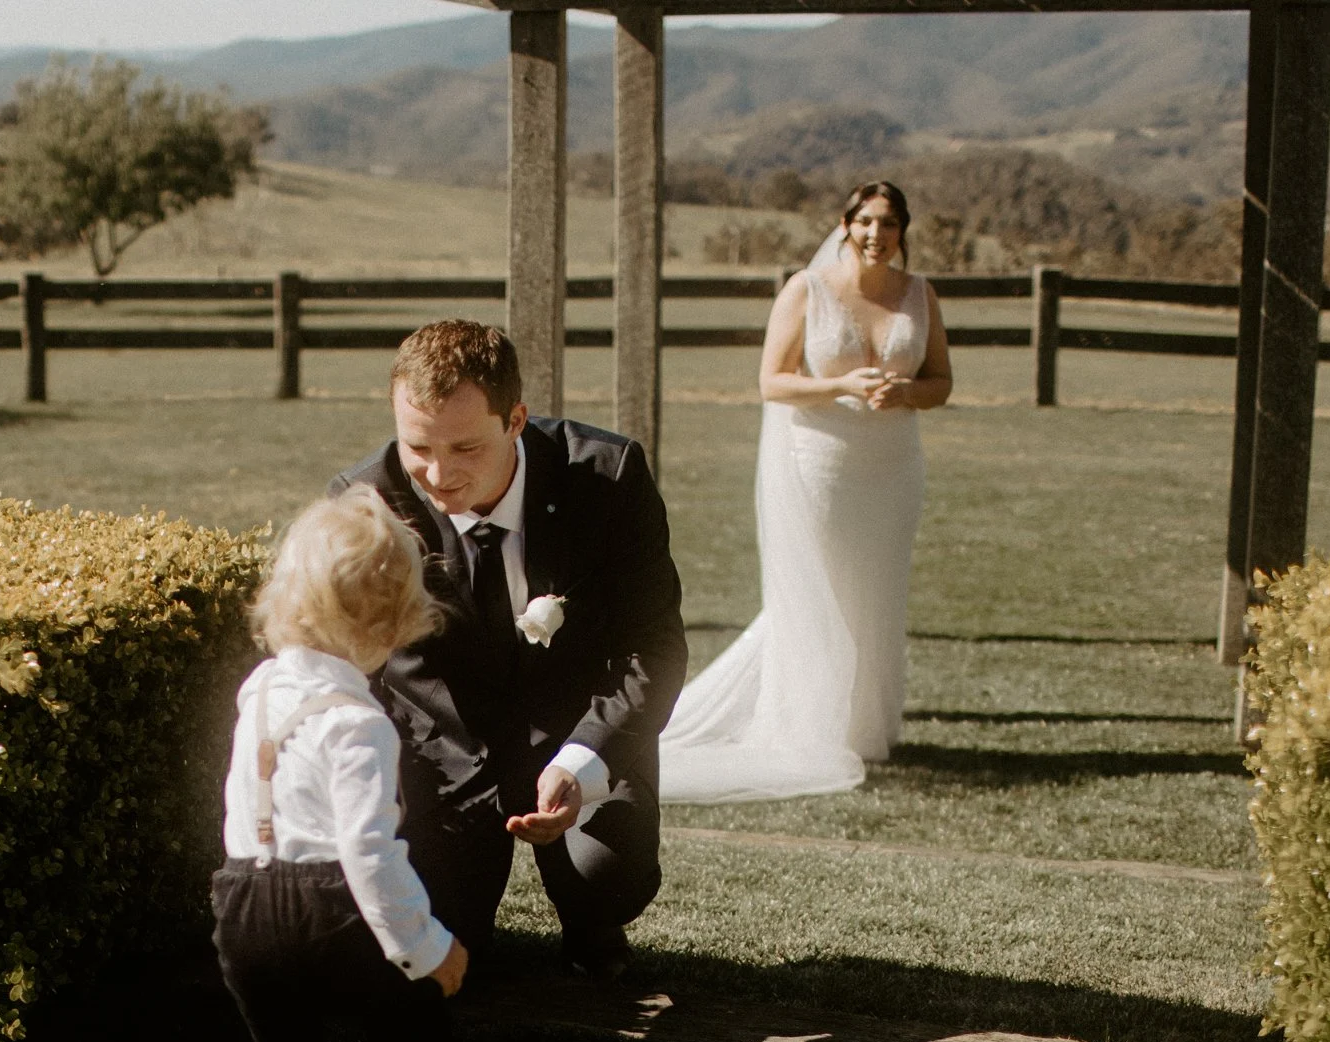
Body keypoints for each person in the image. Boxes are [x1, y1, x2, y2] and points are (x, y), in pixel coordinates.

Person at [331, 321, 687, 985]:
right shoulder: (366, 501)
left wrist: (581, 763)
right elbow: (351, 669)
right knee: (437, 932)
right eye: (419, 447)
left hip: (576, 725)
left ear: (516, 418)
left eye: (465, 446)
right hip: (447, 751)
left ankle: (592, 919)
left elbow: (655, 648)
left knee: (607, 875)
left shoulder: (608, 479)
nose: (439, 474)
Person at [214, 487, 472, 1042]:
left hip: (243, 899)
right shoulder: (361, 725)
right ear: (389, 627)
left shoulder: (256, 692)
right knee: (413, 1015)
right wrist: (427, 948)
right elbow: (368, 853)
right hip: (329, 900)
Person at [658, 181, 953, 802]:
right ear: (845, 225)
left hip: (893, 465)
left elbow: (941, 381)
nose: (878, 235)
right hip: (823, 461)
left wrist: (906, 392)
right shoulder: (807, 290)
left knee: (876, 590)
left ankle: (864, 728)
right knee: (818, 588)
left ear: (904, 231)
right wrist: (840, 385)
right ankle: (806, 723)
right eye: (867, 222)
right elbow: (772, 381)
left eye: (891, 223)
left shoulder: (920, 295)